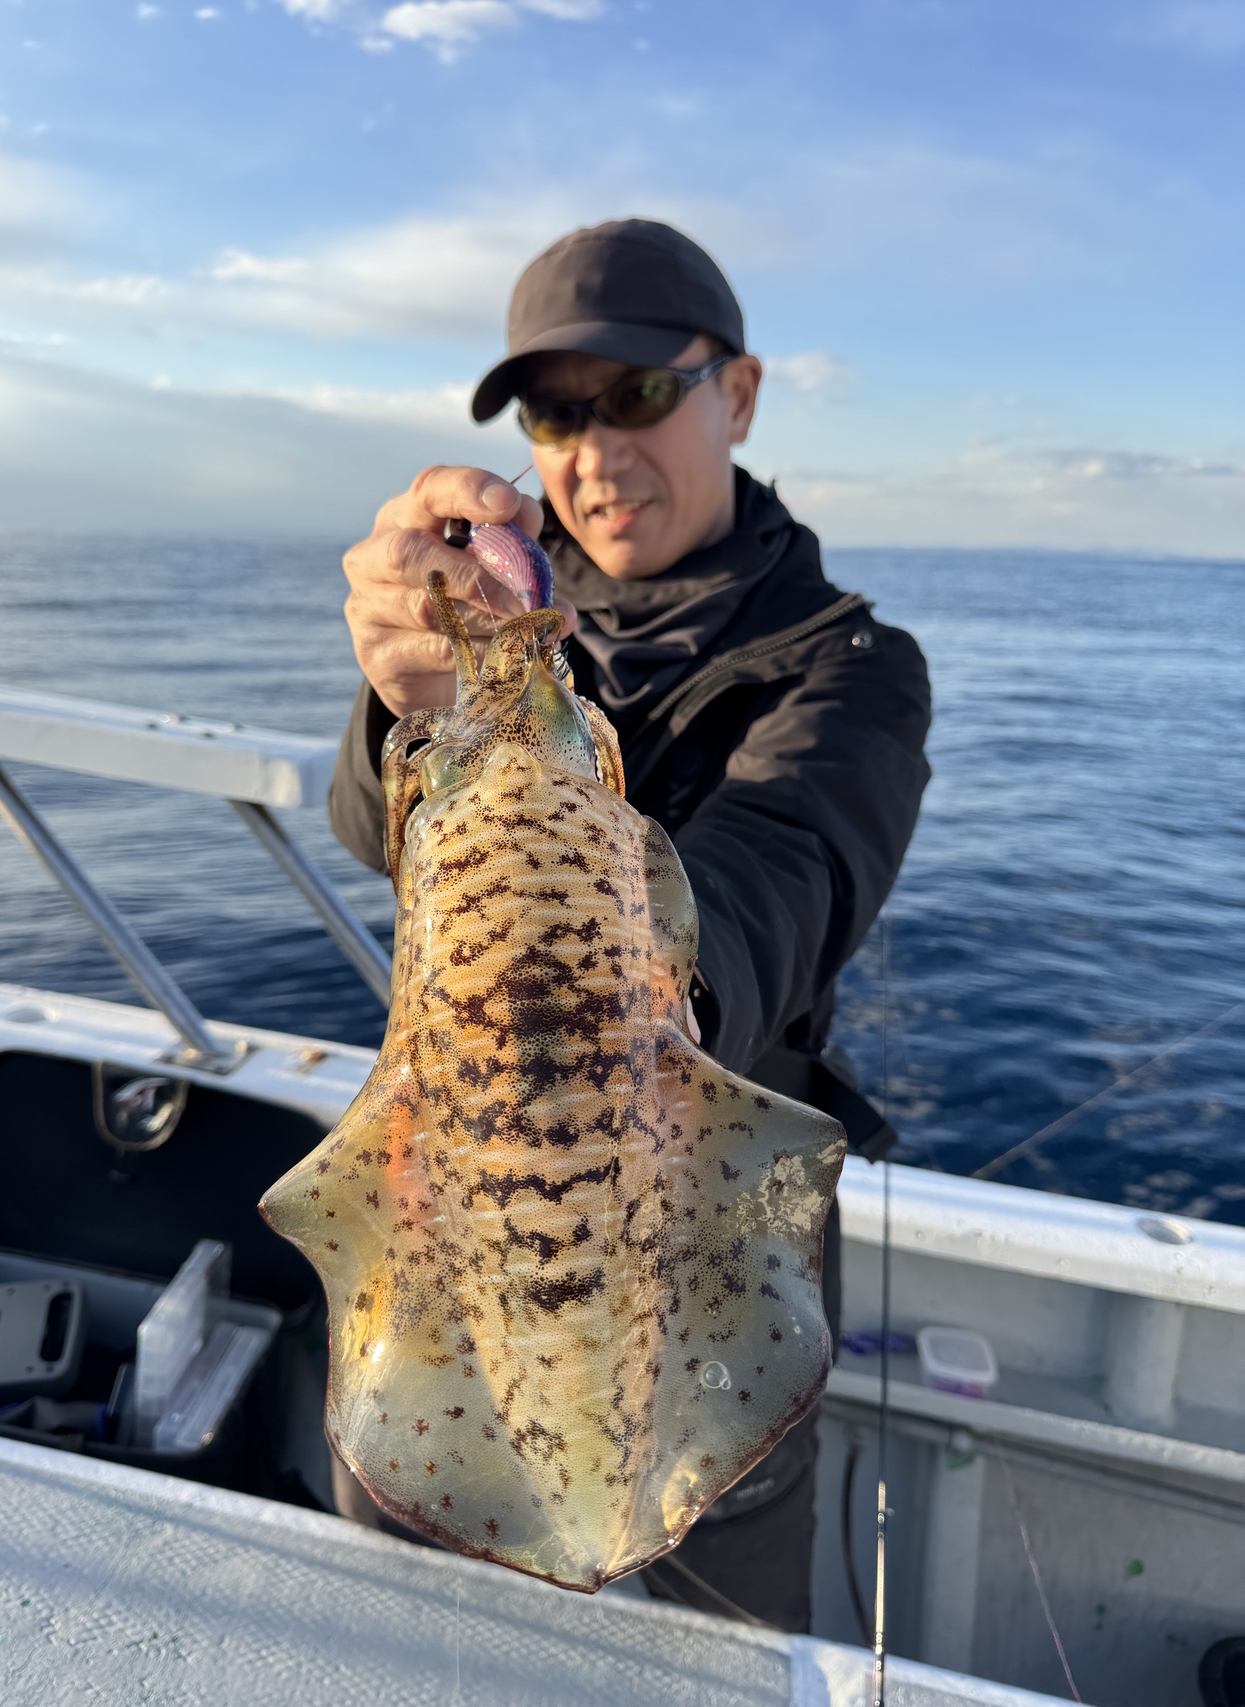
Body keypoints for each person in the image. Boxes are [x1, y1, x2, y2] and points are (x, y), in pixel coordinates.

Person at [327, 218, 932, 1631]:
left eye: (641, 394)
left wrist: (579, 961)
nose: (595, 452)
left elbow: (783, 882)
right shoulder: (505, 629)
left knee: (721, 1628)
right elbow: (370, 831)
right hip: (455, 1193)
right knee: (418, 1614)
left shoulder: (849, 667)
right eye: (556, 414)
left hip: (710, 1230)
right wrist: (405, 710)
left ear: (741, 394)